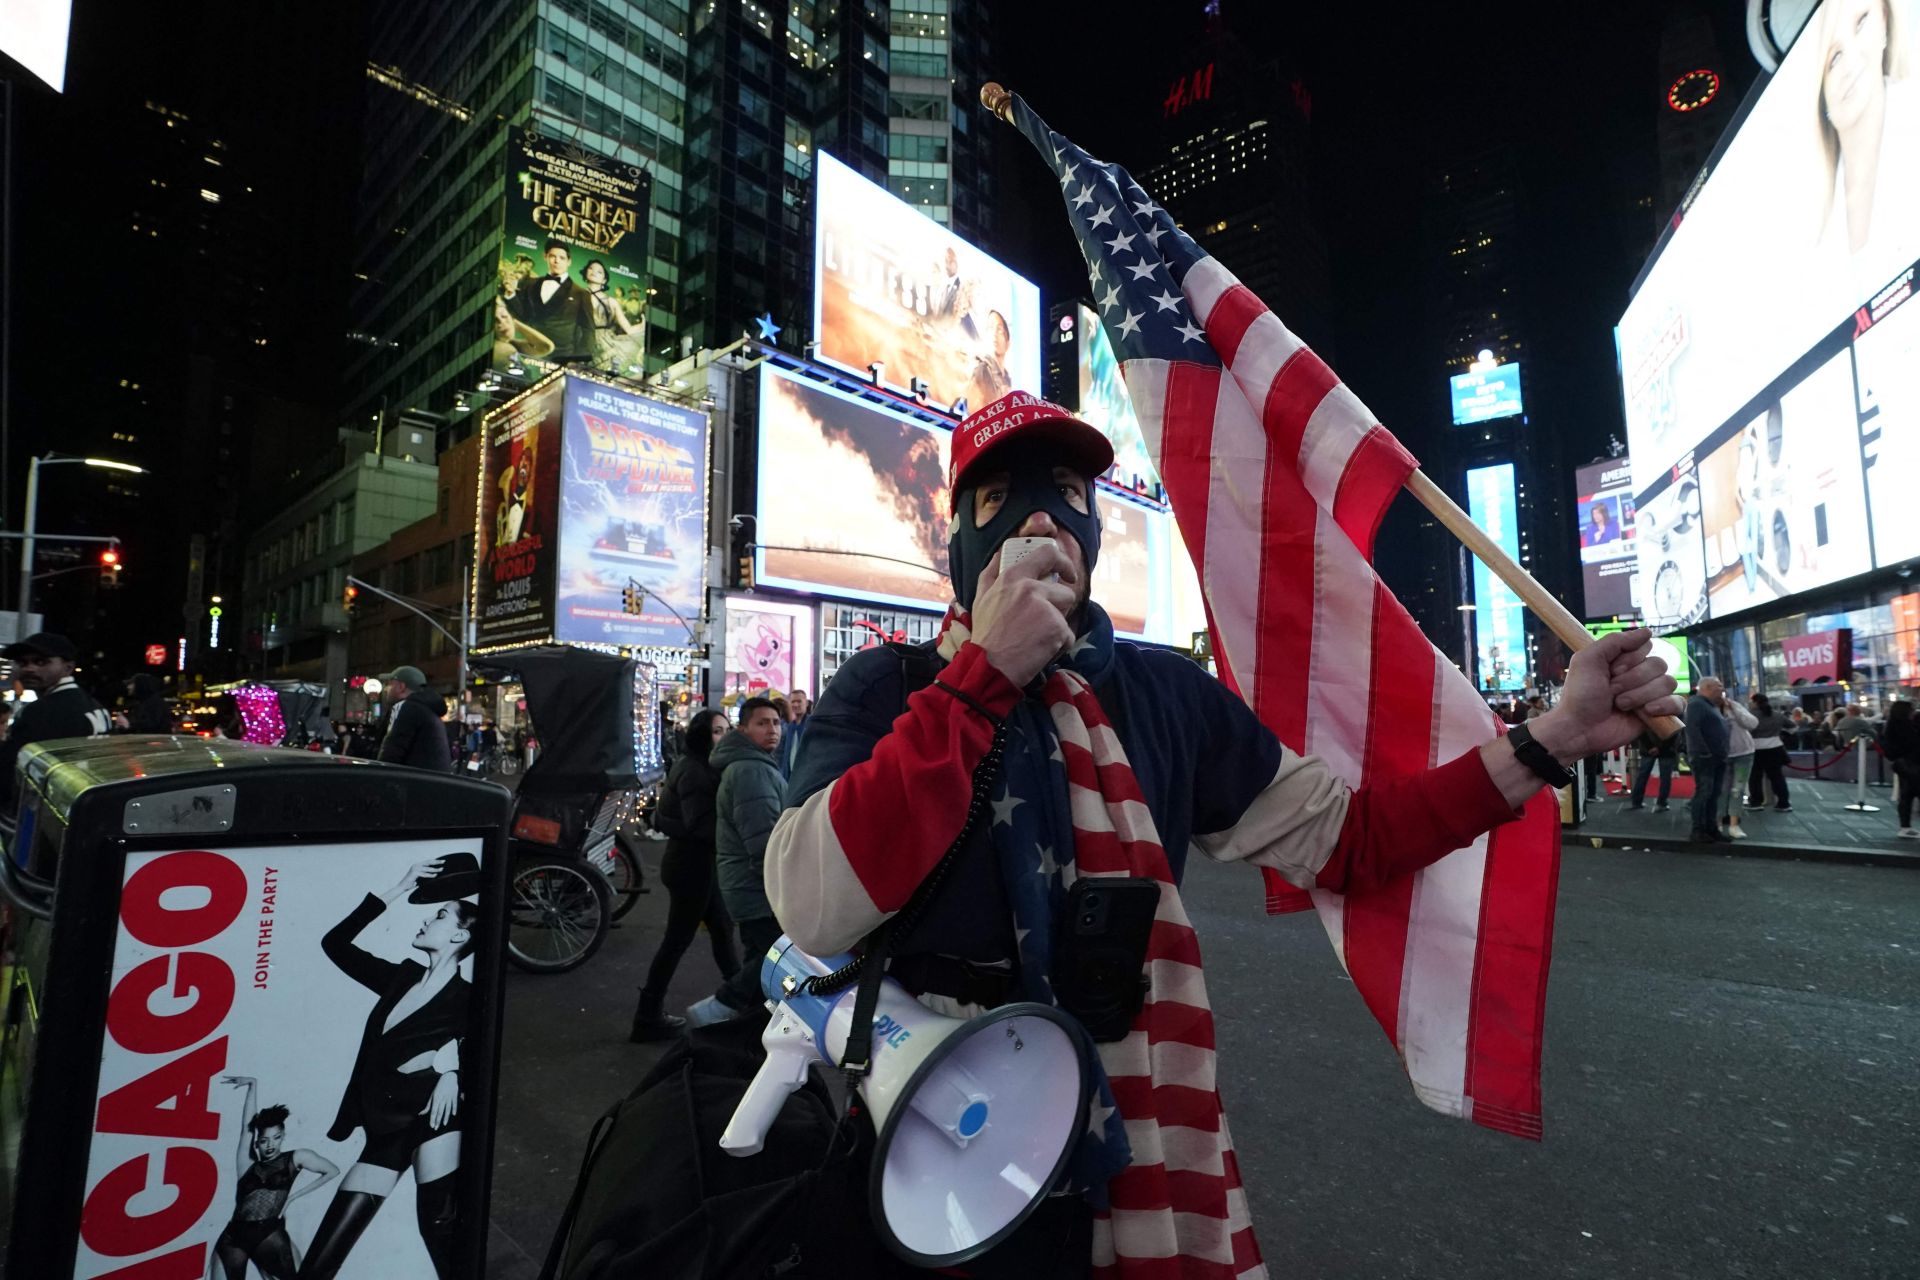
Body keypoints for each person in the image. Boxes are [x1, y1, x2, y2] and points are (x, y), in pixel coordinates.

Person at [763, 392, 1679, 1271]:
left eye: (1066, 500)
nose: (1040, 524)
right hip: (929, 1144)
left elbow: (1350, 842)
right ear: (956, 542)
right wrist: (980, 681)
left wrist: (1558, 736)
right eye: (1001, 502)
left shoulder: (1167, 698)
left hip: (1130, 1146)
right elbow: (811, 904)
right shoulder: (889, 687)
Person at [303, 855, 478, 1279]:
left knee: (439, 1232)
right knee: (319, 1263)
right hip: (385, 1127)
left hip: (434, 1120)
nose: (424, 922)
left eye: (438, 915)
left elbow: (483, 1047)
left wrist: (452, 1070)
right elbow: (335, 944)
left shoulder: (469, 996)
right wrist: (399, 887)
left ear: (458, 935)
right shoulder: (400, 978)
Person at [630, 709, 741, 1041]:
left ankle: (742, 1002)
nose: (725, 735)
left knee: (721, 931)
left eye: (726, 729)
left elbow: (670, 819)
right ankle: (647, 1016)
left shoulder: (697, 764)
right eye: (718, 731)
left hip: (695, 866)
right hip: (693, 868)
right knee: (677, 941)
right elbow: (700, 826)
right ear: (703, 735)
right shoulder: (696, 771)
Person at [686, 697, 786, 1027]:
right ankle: (717, 1010)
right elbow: (763, 840)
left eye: (776, 722)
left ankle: (742, 1037)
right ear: (743, 729)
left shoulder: (755, 765)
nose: (772, 729)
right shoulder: (750, 770)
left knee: (764, 961)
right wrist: (780, 886)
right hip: (757, 888)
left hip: (748, 885)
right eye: (762, 723)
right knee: (782, 959)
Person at [211, 1078, 341, 1279]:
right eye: (264, 1140)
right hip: (234, 1237)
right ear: (257, 1143)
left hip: (269, 1235)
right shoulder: (246, 1164)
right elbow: (246, 1129)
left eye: (276, 1138)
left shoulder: (295, 1158)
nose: (270, 1145)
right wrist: (253, 1086)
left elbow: (332, 1170)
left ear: (283, 1136)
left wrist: (293, 1196)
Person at [0, 632, 112, 810]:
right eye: (23, 662)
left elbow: (12, 771)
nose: (29, 668)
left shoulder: (44, 710)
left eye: (41, 662)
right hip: (85, 804)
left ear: (67, 667)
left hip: (50, 811)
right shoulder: (91, 703)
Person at [503, 239, 595, 362]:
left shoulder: (580, 293)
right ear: (545, 257)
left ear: (569, 262)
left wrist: (580, 362)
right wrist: (511, 295)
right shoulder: (530, 284)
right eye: (552, 256)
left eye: (562, 258)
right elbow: (523, 316)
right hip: (530, 352)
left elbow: (588, 329)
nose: (557, 261)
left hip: (562, 357)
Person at [377, 665, 453, 773]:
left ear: (401, 687)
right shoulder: (429, 710)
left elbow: (390, 753)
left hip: (412, 784)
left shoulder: (405, 707)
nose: (386, 689)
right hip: (432, 783)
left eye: (390, 684)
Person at [1686, 677, 1732, 843]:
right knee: (1704, 793)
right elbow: (1693, 729)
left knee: (1714, 794)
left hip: (1717, 757)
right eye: (1719, 686)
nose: (1722, 689)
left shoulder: (1710, 706)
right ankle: (1698, 829)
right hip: (1706, 758)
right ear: (1707, 687)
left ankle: (1711, 828)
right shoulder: (1697, 704)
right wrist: (1703, 752)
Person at [583, 258, 643, 369]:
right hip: (582, 343)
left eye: (599, 271)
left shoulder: (611, 302)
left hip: (606, 345)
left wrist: (644, 324)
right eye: (590, 268)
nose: (594, 272)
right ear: (586, 273)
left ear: (604, 280)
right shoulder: (578, 295)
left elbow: (628, 329)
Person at [1718, 685, 1758, 839]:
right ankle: (1718, 822)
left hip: (1743, 753)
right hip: (1723, 755)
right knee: (1722, 790)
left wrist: (1734, 709)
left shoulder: (1735, 706)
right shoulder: (1708, 709)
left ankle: (1734, 824)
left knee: (1738, 789)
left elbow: (1752, 723)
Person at [1747, 693, 1792, 812]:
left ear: (1755, 703)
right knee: (1777, 776)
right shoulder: (1777, 715)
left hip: (1755, 749)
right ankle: (1783, 803)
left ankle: (1756, 802)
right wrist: (1781, 735)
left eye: (1751, 701)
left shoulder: (1750, 716)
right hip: (1775, 748)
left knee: (1755, 777)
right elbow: (1792, 727)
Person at [965, 309, 1015, 414]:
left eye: (1000, 330)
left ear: (1008, 342)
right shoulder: (982, 371)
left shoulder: (1007, 379)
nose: (994, 334)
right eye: (990, 328)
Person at [1882, 700, 1920, 837]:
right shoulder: (1906, 726)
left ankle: (1905, 826)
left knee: (1906, 796)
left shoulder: (1893, 725)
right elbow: (1913, 743)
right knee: (1909, 794)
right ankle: (1905, 827)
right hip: (1911, 763)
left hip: (1903, 764)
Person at [1627, 724, 1680, 811]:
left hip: (1648, 749)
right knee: (1665, 777)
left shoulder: (1647, 711)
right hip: (1667, 750)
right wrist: (1661, 747)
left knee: (1642, 775)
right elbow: (1674, 731)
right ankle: (1662, 803)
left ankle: (1636, 801)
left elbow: (1641, 730)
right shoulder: (1671, 711)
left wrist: (1650, 746)